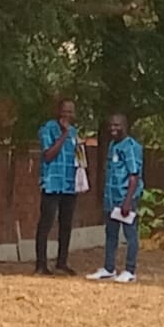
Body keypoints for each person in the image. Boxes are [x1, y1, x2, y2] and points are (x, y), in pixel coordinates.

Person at [86, 114, 144, 283]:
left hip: (125, 198)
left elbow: (134, 175)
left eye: (117, 125)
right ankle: (109, 268)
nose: (113, 128)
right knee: (111, 234)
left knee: (130, 234)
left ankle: (130, 270)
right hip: (111, 198)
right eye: (111, 125)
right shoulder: (113, 145)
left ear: (125, 126)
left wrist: (128, 201)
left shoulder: (130, 147)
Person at [35, 99, 83, 275]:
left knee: (66, 224)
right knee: (46, 223)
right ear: (58, 111)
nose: (67, 115)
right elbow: (48, 155)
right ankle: (41, 264)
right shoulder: (47, 129)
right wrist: (63, 135)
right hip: (52, 183)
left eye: (71, 112)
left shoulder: (74, 132)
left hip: (69, 184)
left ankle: (62, 262)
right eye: (65, 111)